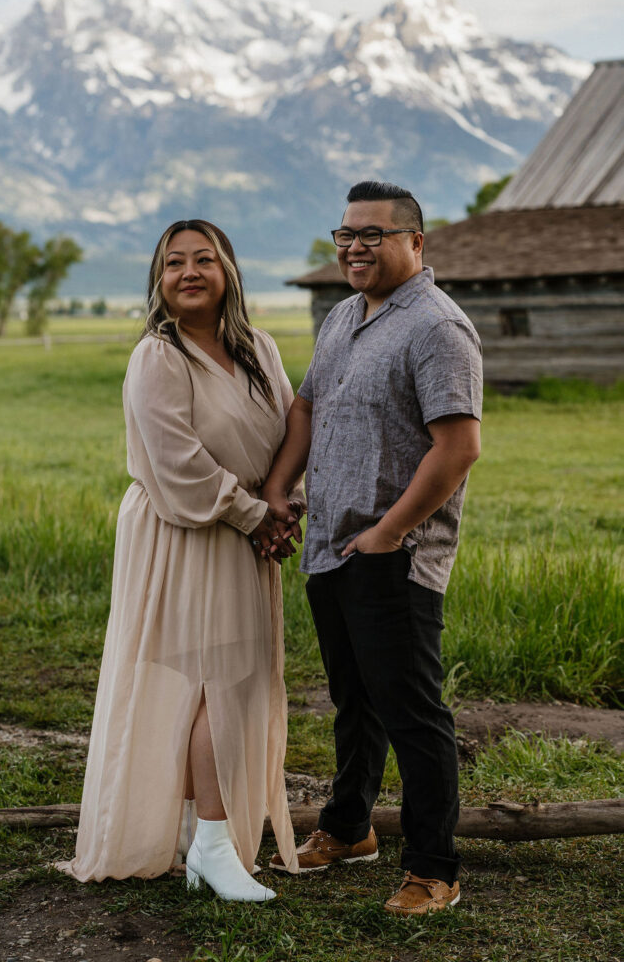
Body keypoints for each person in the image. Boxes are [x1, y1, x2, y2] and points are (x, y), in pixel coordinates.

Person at [58, 218, 301, 900]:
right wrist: (257, 517)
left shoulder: (259, 347)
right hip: (182, 531)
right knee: (215, 682)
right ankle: (215, 848)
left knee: (235, 681)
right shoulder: (157, 357)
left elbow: (288, 431)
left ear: (228, 272)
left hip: (247, 534)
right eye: (173, 263)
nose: (188, 271)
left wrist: (285, 503)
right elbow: (175, 462)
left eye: (203, 259)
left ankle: (203, 840)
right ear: (158, 283)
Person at [262, 180, 483, 916]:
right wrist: (278, 487)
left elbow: (457, 448)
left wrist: (388, 533)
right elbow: (306, 404)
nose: (354, 246)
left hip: (393, 555)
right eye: (345, 234)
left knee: (412, 712)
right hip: (329, 544)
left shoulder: (436, 328)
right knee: (353, 701)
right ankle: (349, 828)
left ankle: (433, 869)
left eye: (372, 235)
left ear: (415, 243)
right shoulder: (342, 316)